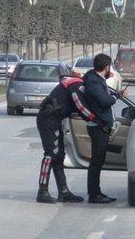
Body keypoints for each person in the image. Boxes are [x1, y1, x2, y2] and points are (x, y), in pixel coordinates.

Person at [35, 73, 101, 204]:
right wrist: (97, 119)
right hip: (48, 118)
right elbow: (80, 106)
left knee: (59, 156)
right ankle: (42, 192)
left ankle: (64, 192)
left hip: (55, 118)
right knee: (50, 155)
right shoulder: (76, 84)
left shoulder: (76, 84)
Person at [83, 53, 126, 204]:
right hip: (98, 127)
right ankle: (94, 195)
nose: (111, 71)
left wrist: (116, 95)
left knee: (98, 161)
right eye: (110, 68)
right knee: (96, 162)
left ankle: (96, 192)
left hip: (101, 126)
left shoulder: (97, 80)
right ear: (106, 67)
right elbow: (104, 101)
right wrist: (116, 98)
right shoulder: (94, 82)